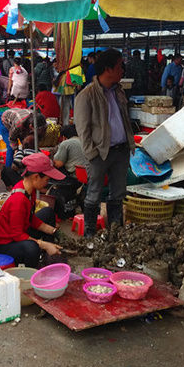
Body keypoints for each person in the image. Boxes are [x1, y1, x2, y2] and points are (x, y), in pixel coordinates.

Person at [76, 48, 135, 236]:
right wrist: (91, 153)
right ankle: (90, 235)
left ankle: (115, 232)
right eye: (119, 66)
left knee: (118, 193)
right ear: (108, 69)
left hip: (120, 150)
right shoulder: (87, 95)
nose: (122, 70)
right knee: (94, 193)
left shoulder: (118, 91)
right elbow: (83, 129)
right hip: (100, 153)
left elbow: (124, 119)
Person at [0, 153, 64, 267]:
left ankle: (50, 256)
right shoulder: (19, 199)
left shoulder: (29, 191)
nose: (48, 183)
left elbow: (30, 218)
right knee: (32, 248)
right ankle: (32, 271)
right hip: (6, 245)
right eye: (47, 179)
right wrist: (43, 244)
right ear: (36, 177)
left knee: (48, 212)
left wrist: (51, 230)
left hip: (20, 231)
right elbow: (17, 235)